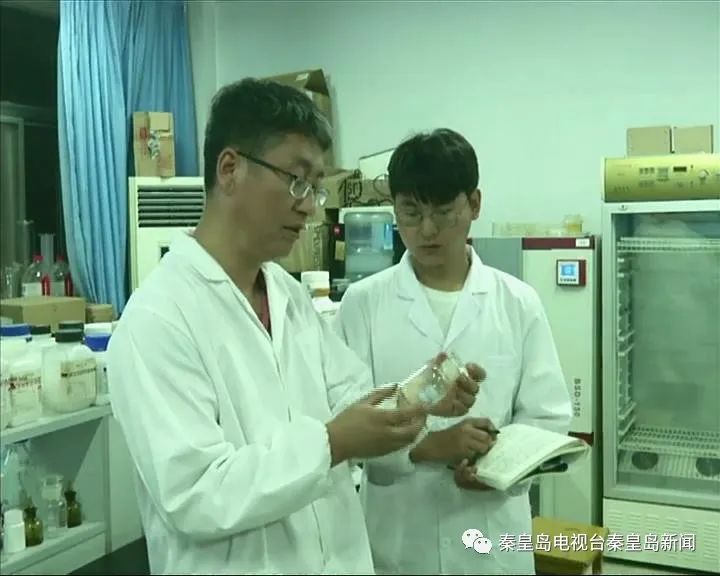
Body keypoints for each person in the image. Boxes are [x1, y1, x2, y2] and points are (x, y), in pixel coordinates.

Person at [106, 81, 482, 575]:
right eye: (297, 180)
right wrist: (333, 444)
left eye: (315, 187)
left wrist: (421, 396)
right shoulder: (158, 320)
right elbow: (197, 494)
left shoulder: (288, 295)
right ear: (230, 169)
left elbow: (348, 397)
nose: (310, 205)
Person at [334, 128, 573, 575]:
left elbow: (547, 416)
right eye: (411, 212)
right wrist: (426, 447)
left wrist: (499, 466)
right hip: (398, 545)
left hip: (492, 540)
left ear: (474, 204)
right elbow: (345, 419)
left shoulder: (517, 303)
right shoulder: (363, 304)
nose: (427, 230)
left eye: (443, 211)